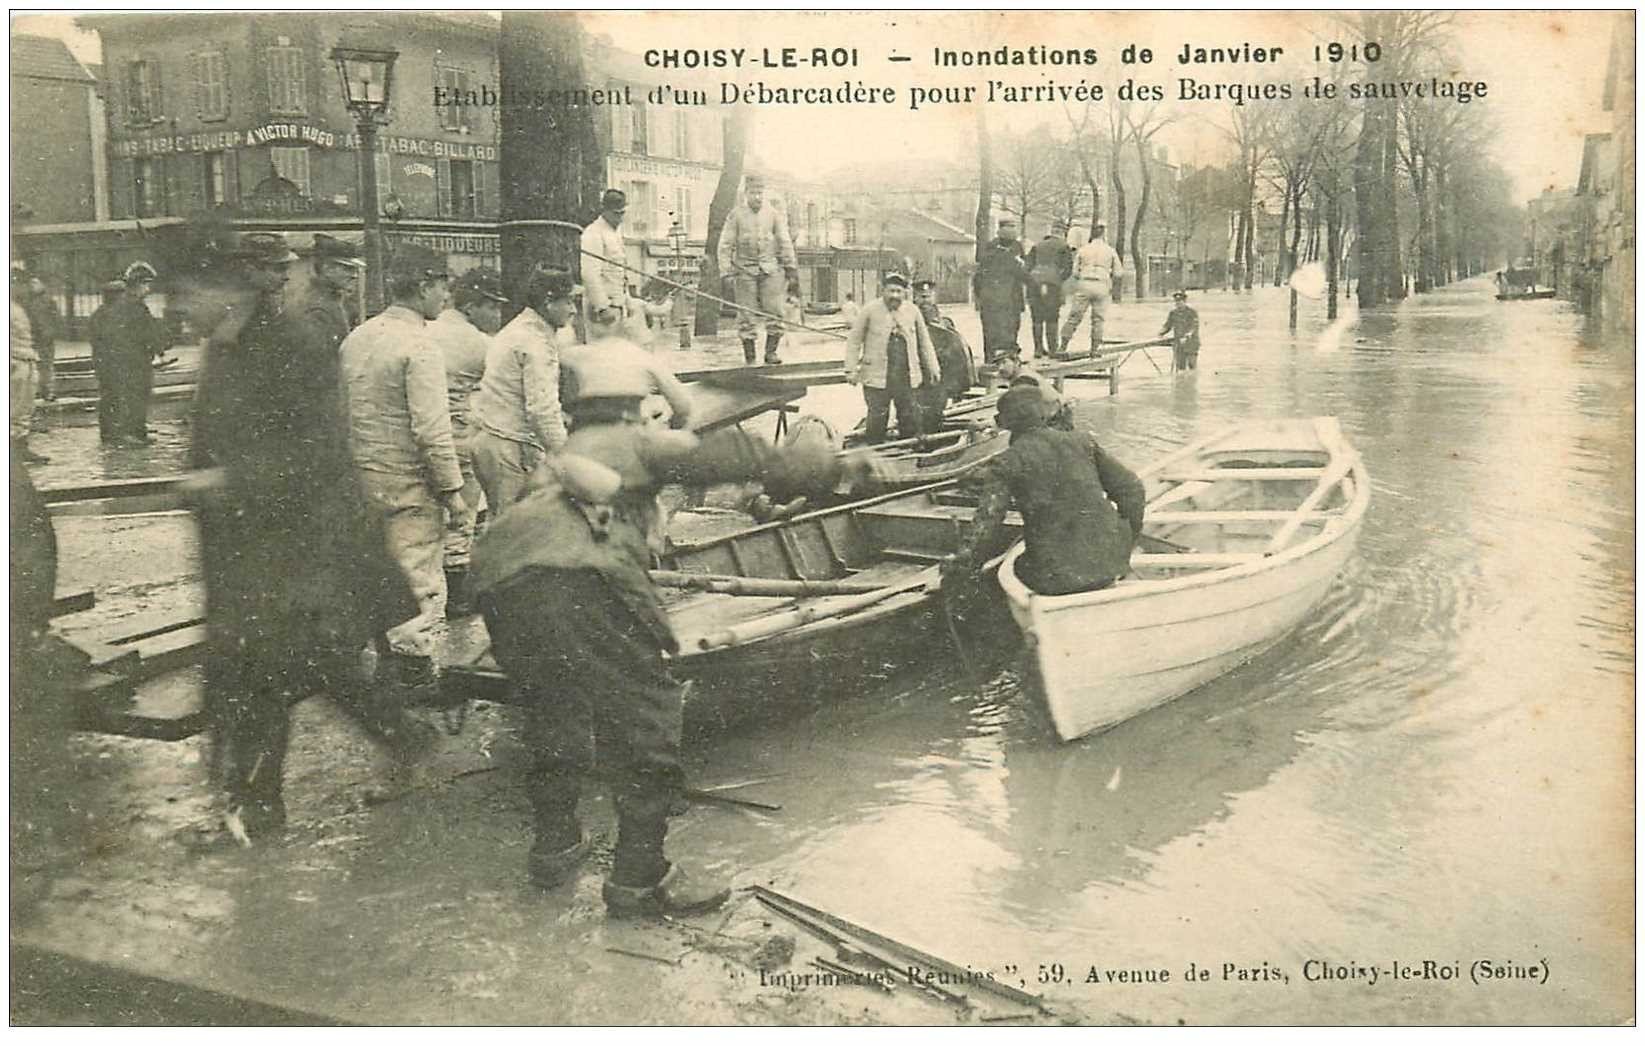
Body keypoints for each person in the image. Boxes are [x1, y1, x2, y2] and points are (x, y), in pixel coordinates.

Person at [468, 340, 843, 911]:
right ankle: (640, 880)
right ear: (633, 406)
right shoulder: (638, 439)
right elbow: (732, 456)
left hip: (500, 584)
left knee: (554, 708)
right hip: (582, 582)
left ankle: (554, 845)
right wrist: (837, 465)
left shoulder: (556, 460)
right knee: (648, 721)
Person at [186, 231, 434, 843]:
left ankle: (260, 805)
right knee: (271, 671)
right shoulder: (225, 348)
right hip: (252, 544)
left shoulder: (290, 344)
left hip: (304, 543)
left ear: (233, 286)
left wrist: (228, 479)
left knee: (286, 668)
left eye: (188, 290)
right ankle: (257, 806)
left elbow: (320, 450)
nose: (176, 305)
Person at [338, 244, 466, 664]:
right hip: (408, 485)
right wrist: (452, 491)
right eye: (442, 287)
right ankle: (413, 674)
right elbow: (432, 431)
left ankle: (369, 664)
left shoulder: (357, 338)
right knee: (417, 578)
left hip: (360, 477)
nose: (445, 298)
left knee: (370, 574)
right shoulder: (421, 347)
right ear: (424, 285)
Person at [944, 384, 1145, 597]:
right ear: (1042, 413)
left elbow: (987, 524)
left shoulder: (1007, 462)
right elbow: (1133, 489)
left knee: (999, 577)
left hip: (1056, 576)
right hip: (1113, 559)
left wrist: (961, 564)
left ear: (1007, 423)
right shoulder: (1082, 440)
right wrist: (1127, 539)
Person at [469, 265, 576, 514]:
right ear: (548, 303)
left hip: (492, 439)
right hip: (510, 446)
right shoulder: (535, 342)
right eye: (568, 301)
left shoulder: (520, 329)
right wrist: (567, 458)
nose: (573, 310)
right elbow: (541, 411)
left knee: (504, 527)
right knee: (517, 533)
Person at [432, 267, 507, 612]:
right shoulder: (479, 343)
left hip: (424, 433)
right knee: (461, 516)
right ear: (473, 306)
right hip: (457, 435)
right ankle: (458, 594)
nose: (497, 314)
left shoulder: (427, 329)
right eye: (492, 306)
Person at [845, 272, 941, 443]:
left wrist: (933, 368)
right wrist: (850, 370)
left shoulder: (913, 311)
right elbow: (854, 341)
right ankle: (876, 454)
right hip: (877, 376)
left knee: (909, 415)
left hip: (906, 376)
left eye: (898, 291)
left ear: (905, 292)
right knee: (877, 416)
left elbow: (924, 343)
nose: (894, 296)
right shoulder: (869, 310)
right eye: (891, 291)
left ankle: (907, 451)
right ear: (883, 291)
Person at [717, 172, 799, 365]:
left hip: (770, 269)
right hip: (744, 270)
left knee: (776, 311)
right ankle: (750, 357)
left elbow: (784, 240)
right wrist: (725, 271)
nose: (757, 197)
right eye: (753, 192)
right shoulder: (736, 215)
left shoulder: (773, 214)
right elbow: (725, 244)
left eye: (760, 192)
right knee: (746, 314)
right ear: (746, 193)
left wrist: (790, 266)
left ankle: (771, 353)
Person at [88, 261, 169, 446]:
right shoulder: (131, 306)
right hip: (129, 360)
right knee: (130, 395)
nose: (148, 289)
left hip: (118, 360)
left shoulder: (118, 307)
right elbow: (145, 333)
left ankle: (126, 432)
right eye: (147, 284)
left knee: (119, 395)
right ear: (138, 284)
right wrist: (159, 345)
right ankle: (126, 433)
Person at [912, 277, 977, 431]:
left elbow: (957, 351)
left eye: (928, 296)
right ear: (914, 297)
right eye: (921, 296)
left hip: (939, 376)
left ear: (934, 297)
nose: (924, 300)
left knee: (935, 410)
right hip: (917, 375)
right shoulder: (909, 318)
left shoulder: (944, 323)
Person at [1059, 221, 1124, 356]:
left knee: (1074, 317)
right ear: (1103, 235)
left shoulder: (1083, 250)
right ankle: (1094, 349)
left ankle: (1063, 345)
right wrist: (1108, 274)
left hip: (1085, 284)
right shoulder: (1110, 251)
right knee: (1098, 319)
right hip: (1102, 285)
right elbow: (1119, 273)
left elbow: (1075, 272)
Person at [972, 218, 1028, 363]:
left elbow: (979, 275)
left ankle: (994, 358)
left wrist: (979, 296)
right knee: (1007, 327)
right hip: (1008, 296)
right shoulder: (1008, 249)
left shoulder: (994, 247)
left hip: (997, 296)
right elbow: (1023, 271)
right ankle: (1005, 358)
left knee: (994, 328)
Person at [580, 188, 630, 342]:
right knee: (603, 353)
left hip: (618, 304)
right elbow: (589, 273)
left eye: (622, 213)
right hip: (603, 309)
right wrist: (602, 306)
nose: (620, 218)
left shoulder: (616, 232)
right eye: (616, 214)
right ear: (605, 211)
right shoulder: (593, 233)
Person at [1026, 220, 1074, 358]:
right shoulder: (1064, 246)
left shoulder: (1037, 245)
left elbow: (1028, 266)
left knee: (1037, 318)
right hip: (1052, 283)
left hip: (1035, 283)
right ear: (1062, 232)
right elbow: (1068, 269)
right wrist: (1058, 279)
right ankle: (1053, 349)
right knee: (1052, 317)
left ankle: (1038, 349)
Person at [9, 273, 44, 463]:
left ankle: (20, 447)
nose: (24, 289)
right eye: (19, 285)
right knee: (13, 409)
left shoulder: (19, 307)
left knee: (25, 409)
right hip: (14, 361)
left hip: (27, 360)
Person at [21, 271, 59, 404]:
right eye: (31, 283)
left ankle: (48, 392)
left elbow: (55, 319)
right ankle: (39, 392)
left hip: (44, 336)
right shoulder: (26, 301)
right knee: (35, 365)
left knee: (46, 365)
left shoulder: (48, 300)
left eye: (36, 283)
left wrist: (51, 332)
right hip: (32, 336)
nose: (33, 286)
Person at [1160, 290, 1201, 371]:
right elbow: (1168, 325)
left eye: (1180, 302)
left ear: (1184, 302)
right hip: (1179, 344)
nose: (1178, 304)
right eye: (1176, 302)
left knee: (1192, 366)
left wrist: (1188, 335)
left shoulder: (1192, 312)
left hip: (1191, 343)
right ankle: (1182, 382)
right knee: (1180, 368)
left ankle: (1191, 382)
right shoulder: (1173, 313)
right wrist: (1161, 333)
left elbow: (1194, 326)